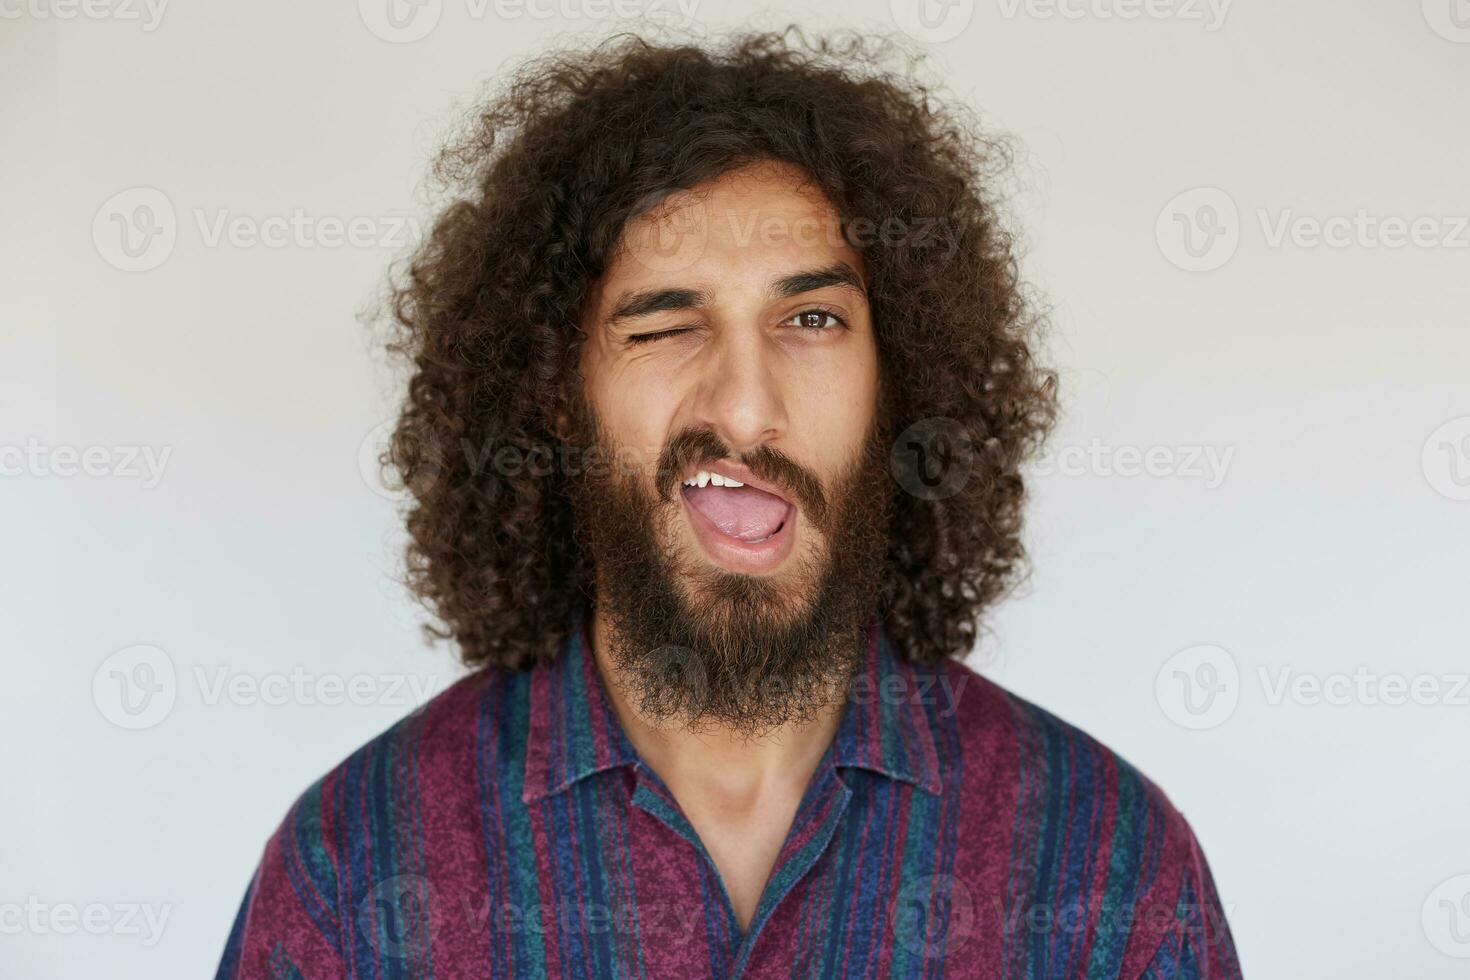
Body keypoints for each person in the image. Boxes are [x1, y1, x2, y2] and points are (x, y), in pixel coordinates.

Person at [216, 29, 1240, 978]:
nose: (746, 408)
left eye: (812, 316)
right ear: (553, 393)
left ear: (904, 381)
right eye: (665, 324)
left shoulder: (1108, 868)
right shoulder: (354, 872)